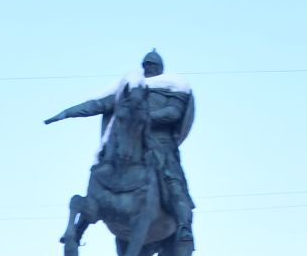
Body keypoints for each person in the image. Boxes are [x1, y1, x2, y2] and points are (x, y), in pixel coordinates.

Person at [46, 48, 196, 241]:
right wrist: (66, 113)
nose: (149, 68)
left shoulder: (174, 87)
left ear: (160, 68)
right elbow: (97, 105)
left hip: (160, 143)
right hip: (131, 139)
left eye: (152, 65)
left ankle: (184, 226)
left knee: (173, 180)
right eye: (146, 65)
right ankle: (80, 227)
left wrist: (145, 117)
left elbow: (173, 113)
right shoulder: (132, 90)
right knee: (102, 169)